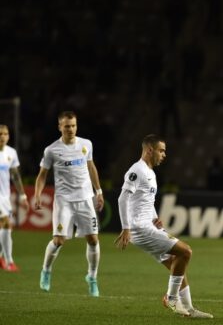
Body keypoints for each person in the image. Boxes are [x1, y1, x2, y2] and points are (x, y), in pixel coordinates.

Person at [114, 134, 213, 318]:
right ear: (149, 150)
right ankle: (171, 298)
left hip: (148, 226)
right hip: (140, 229)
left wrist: (155, 218)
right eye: (161, 150)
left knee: (177, 264)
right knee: (185, 251)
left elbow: (145, 201)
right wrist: (126, 228)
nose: (164, 154)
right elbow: (122, 198)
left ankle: (189, 310)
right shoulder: (137, 170)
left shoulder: (150, 173)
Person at [34, 111, 104, 296]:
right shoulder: (51, 150)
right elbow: (42, 175)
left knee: (93, 239)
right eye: (67, 126)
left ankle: (92, 277)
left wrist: (99, 191)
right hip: (64, 200)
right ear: (60, 127)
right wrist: (37, 194)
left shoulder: (86, 144)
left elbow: (91, 167)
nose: (71, 129)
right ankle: (46, 271)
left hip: (85, 198)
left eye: (73, 125)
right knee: (58, 241)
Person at [0, 125, 29, 272]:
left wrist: (23, 195)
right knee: (6, 224)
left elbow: (15, 175)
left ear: (9, 136)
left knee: (6, 228)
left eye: (5, 134)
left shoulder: (11, 153)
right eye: (0, 134)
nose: (2, 136)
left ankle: (1, 256)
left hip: (5, 196)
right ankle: (9, 262)